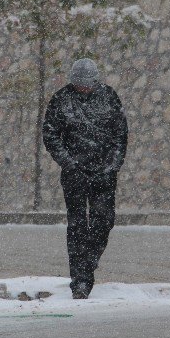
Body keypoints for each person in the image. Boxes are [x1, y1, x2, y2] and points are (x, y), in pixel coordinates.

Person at [43, 58, 128, 299]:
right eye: (78, 83)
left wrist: (112, 167)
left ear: (95, 80)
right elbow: (50, 134)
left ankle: (89, 263)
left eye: (86, 83)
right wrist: (69, 163)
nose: (82, 87)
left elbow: (120, 135)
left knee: (104, 221)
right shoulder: (62, 99)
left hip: (104, 173)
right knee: (77, 226)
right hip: (75, 174)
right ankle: (80, 281)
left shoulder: (109, 97)